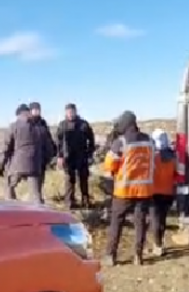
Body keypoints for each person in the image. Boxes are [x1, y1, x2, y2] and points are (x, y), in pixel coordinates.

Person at [101, 111, 155, 266]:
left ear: (126, 124)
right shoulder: (150, 141)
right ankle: (138, 255)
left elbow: (110, 164)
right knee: (140, 223)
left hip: (124, 191)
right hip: (144, 190)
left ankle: (111, 255)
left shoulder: (121, 142)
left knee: (116, 222)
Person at [0, 104, 45, 204]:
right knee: (36, 194)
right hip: (34, 165)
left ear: (18, 114)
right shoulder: (38, 127)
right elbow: (47, 147)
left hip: (17, 165)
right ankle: (40, 213)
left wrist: (1, 164)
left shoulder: (13, 126)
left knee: (9, 187)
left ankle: (11, 209)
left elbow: (6, 148)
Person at [56, 103, 96, 209]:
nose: (70, 114)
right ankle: (69, 203)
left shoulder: (83, 124)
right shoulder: (62, 125)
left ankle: (86, 202)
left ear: (75, 111)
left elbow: (91, 139)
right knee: (69, 180)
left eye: (72, 111)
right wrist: (60, 156)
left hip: (82, 156)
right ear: (65, 113)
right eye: (68, 112)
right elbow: (58, 142)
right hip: (68, 157)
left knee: (83, 179)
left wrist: (90, 153)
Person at [149, 129, 177, 256]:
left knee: (155, 219)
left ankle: (157, 245)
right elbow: (177, 174)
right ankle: (160, 243)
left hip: (154, 192)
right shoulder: (173, 156)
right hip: (168, 192)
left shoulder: (152, 156)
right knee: (162, 219)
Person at [27, 102, 56, 192]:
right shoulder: (27, 123)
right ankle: (35, 200)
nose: (36, 112)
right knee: (33, 181)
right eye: (34, 110)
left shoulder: (43, 123)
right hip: (32, 156)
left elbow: (48, 138)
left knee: (41, 180)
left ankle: (38, 197)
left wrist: (53, 151)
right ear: (30, 111)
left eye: (38, 110)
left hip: (42, 156)